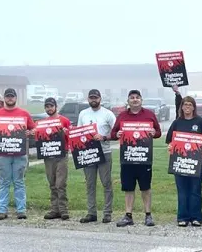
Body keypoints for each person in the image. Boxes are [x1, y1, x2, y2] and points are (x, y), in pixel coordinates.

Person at [111, 90, 162, 227]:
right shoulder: (122, 116)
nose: (134, 100)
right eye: (132, 98)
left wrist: (154, 133)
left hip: (144, 157)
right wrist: (118, 134)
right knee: (128, 187)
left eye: (137, 98)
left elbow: (158, 132)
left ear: (141, 100)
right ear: (128, 100)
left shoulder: (149, 115)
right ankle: (128, 216)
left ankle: (148, 215)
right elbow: (113, 133)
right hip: (127, 157)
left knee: (145, 187)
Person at [0, 87, 35, 220]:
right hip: (2, 153)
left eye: (12, 96)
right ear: (4, 98)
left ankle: (21, 210)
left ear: (15, 98)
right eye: (7, 96)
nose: (10, 98)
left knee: (19, 182)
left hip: (19, 152)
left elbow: (34, 129)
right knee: (3, 182)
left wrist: (30, 132)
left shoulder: (24, 113)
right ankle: (2, 210)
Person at [166, 96, 202, 227]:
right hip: (180, 162)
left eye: (190, 105)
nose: (187, 107)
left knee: (195, 189)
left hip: (197, 163)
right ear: (181, 107)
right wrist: (170, 146)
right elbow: (170, 140)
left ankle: (196, 217)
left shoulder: (200, 122)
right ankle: (182, 217)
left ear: (193, 107)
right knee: (182, 190)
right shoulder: (177, 122)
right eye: (185, 105)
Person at [77, 88, 117, 224]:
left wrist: (104, 137)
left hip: (104, 152)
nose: (93, 100)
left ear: (100, 99)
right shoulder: (83, 113)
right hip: (88, 153)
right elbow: (79, 133)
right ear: (88, 99)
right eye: (91, 98)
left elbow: (117, 133)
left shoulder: (108, 114)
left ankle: (107, 213)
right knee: (90, 184)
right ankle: (91, 212)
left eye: (96, 98)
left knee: (106, 183)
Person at [40, 97, 72, 220]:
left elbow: (72, 137)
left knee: (61, 183)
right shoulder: (43, 122)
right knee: (52, 182)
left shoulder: (64, 120)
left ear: (56, 107)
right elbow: (39, 138)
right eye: (47, 107)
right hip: (48, 155)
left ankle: (63, 210)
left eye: (51, 106)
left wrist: (66, 132)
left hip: (61, 155)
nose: (49, 108)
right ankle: (54, 209)